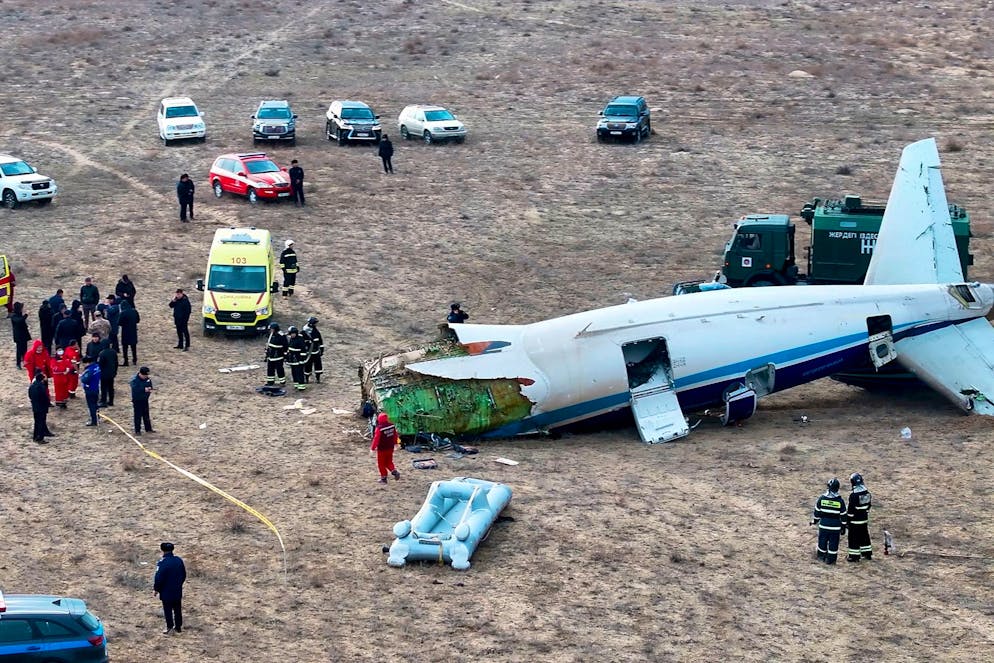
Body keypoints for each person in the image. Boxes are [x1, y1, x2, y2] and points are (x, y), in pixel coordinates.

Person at [810, 477, 847, 565]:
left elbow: (817, 513)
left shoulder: (822, 499)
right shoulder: (840, 501)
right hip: (835, 528)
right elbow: (843, 516)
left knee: (822, 542)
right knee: (833, 544)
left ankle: (821, 557)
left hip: (824, 526)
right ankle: (831, 560)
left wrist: (814, 521)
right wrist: (843, 527)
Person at [153, 542, 187, 635]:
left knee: (167, 609)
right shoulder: (178, 560)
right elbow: (184, 574)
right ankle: (178, 627)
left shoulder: (162, 562)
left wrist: (156, 589)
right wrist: (179, 584)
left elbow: (159, 577)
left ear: (162, 550)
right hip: (177, 589)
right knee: (177, 609)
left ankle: (169, 627)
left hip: (166, 590)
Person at [846, 473, 873, 562]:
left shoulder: (853, 495)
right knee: (864, 536)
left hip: (854, 521)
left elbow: (851, 511)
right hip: (864, 520)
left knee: (853, 538)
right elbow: (868, 506)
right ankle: (867, 553)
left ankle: (854, 556)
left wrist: (848, 521)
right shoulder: (867, 493)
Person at [370, 412, 401, 484]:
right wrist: (396, 443)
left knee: (381, 464)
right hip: (390, 447)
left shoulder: (379, 428)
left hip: (382, 449)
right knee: (389, 462)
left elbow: (376, 439)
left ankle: (383, 478)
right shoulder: (392, 426)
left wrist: (372, 448)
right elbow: (395, 435)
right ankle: (394, 472)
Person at [29, 369, 54, 443]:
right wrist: (47, 404)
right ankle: (40, 438)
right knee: (41, 422)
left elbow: (30, 395)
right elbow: (45, 398)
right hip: (41, 408)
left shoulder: (32, 386)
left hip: (35, 407)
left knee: (37, 422)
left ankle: (35, 437)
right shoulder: (41, 387)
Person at [130, 366, 154, 435]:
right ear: (140, 374)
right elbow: (135, 389)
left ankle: (148, 429)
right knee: (138, 416)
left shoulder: (147, 379)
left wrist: (149, 389)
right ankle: (137, 430)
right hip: (137, 400)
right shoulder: (134, 380)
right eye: (145, 375)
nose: (146, 377)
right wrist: (144, 389)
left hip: (145, 399)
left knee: (146, 414)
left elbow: (150, 386)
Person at [264, 322, 287, 387]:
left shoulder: (281, 336)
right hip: (271, 356)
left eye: (272, 329)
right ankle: (270, 382)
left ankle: (282, 382)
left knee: (279, 369)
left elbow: (285, 346)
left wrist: (285, 355)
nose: (271, 330)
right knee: (270, 369)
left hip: (278, 356)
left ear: (275, 329)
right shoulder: (271, 334)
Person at [80, 356, 101, 427]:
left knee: (91, 406)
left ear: (87, 363)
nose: (83, 365)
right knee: (95, 404)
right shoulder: (97, 367)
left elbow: (84, 380)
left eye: (84, 364)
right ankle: (97, 417)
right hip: (96, 388)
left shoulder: (90, 370)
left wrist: (81, 376)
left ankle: (94, 421)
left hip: (90, 390)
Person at [285, 326, 308, 391]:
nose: (291, 335)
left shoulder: (300, 339)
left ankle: (301, 386)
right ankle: (296, 384)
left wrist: (302, 360)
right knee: (294, 372)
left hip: (298, 359)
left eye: (292, 334)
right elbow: (289, 348)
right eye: (290, 334)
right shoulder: (291, 339)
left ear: (295, 333)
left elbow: (303, 350)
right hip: (292, 359)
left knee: (299, 372)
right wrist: (287, 357)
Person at [302, 316, 324, 383]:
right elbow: (301, 342)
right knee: (307, 366)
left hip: (316, 352)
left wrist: (321, 349)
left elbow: (320, 341)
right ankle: (306, 379)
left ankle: (318, 378)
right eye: (315, 323)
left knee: (318, 365)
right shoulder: (304, 332)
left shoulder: (316, 331)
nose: (316, 324)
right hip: (308, 353)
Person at [119, 299, 140, 366]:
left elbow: (119, 322)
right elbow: (138, 320)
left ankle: (126, 361)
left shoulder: (123, 313)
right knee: (133, 347)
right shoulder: (134, 311)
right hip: (133, 331)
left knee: (125, 347)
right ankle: (134, 360)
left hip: (125, 332)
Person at [98, 340, 118, 407]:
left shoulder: (102, 353)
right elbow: (116, 363)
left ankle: (103, 401)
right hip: (111, 373)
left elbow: (100, 364)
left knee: (103, 388)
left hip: (104, 374)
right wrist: (115, 371)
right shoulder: (114, 352)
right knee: (111, 388)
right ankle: (111, 401)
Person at [10, 302, 30, 369]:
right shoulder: (13, 315)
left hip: (23, 334)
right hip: (18, 336)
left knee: (25, 349)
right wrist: (26, 315)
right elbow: (19, 321)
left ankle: (25, 361)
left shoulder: (19, 314)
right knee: (19, 350)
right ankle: (18, 363)